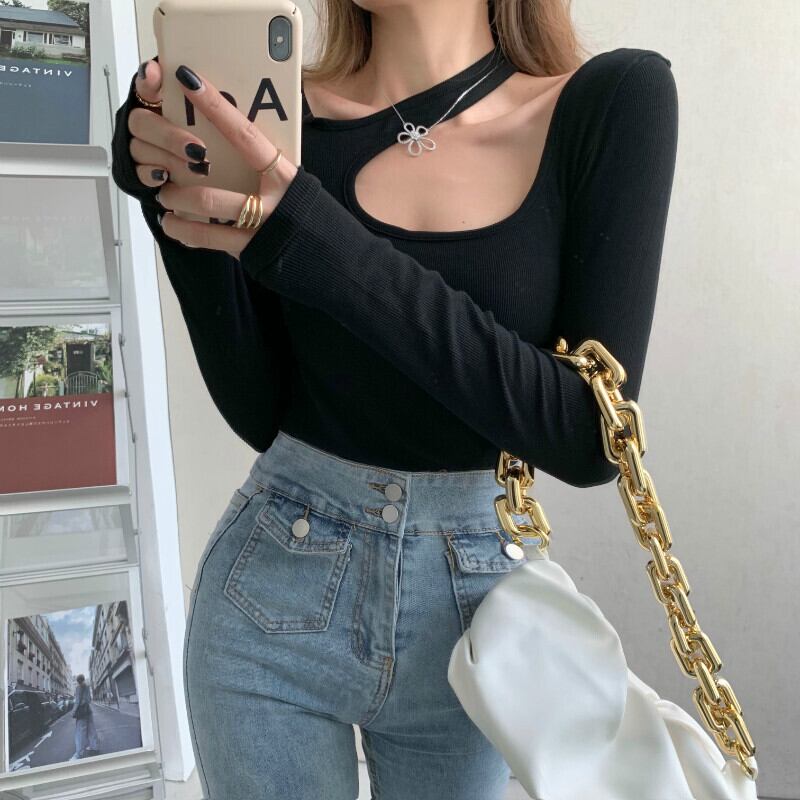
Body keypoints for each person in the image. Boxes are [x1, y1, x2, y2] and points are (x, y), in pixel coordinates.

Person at [111, 1, 678, 797]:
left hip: (474, 621)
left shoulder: (607, 101)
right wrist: (173, 203)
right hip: (272, 590)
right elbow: (264, 412)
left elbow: (590, 435)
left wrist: (317, 237)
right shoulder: (285, 125)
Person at [72, 674, 98, 758]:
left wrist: (73, 711)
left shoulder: (78, 688)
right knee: (91, 730)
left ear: (78, 681)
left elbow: (77, 701)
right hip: (88, 711)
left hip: (81, 713)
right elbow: (89, 700)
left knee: (80, 733)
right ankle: (94, 747)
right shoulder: (87, 687)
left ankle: (79, 753)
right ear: (83, 679)